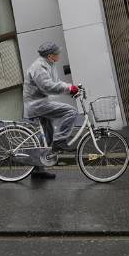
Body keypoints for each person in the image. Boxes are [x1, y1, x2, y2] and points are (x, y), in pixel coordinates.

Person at [23, 41, 81, 180]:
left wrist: (71, 88)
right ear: (50, 55)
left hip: (41, 103)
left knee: (48, 136)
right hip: (36, 104)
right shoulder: (39, 67)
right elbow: (47, 87)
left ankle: (37, 170)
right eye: (57, 53)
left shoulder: (49, 64)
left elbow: (56, 83)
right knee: (71, 112)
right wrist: (69, 89)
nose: (59, 54)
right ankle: (60, 140)